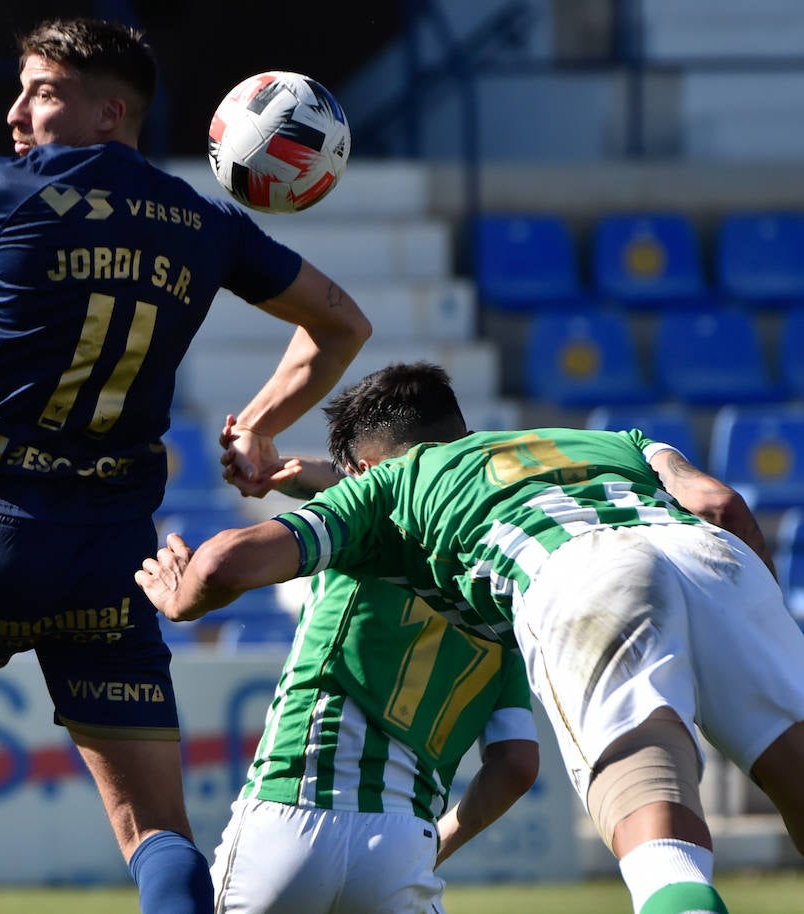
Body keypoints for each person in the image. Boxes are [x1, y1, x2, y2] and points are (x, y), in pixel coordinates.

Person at [0, 16, 372, 913]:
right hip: (115, 553)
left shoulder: (18, 184)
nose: (17, 113)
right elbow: (343, 322)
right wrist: (257, 427)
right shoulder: (207, 221)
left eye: (43, 93)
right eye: (20, 91)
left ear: (110, 113)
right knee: (157, 831)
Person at [140, 361, 804, 914]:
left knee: (657, 836)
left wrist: (179, 599)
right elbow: (720, 505)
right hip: (710, 555)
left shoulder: (387, 491)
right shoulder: (611, 441)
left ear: (363, 467)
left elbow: (226, 562)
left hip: (581, 576)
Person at [206, 424, 538, 913]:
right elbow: (517, 764)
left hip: (293, 808)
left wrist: (280, 471)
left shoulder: (364, 531)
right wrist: (433, 844)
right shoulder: (502, 608)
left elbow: (230, 560)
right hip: (402, 839)